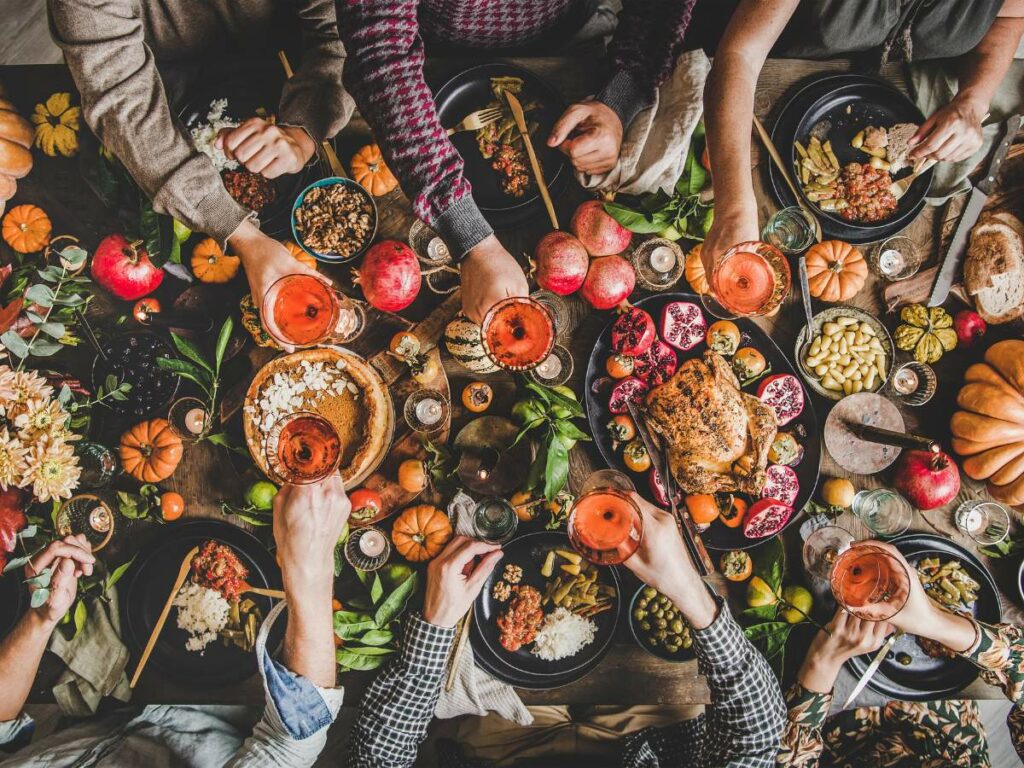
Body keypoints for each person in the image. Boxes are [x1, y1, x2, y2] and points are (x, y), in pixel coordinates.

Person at [346, 497, 786, 767]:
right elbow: (761, 733)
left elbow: (375, 757)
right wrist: (689, 591)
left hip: (503, 746)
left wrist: (437, 626)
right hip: (648, 741)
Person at [334, 0, 699, 324]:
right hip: (428, 48)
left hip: (572, 36)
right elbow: (379, 52)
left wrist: (619, 101)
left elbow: (661, 9)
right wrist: (470, 236)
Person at [47, 0, 354, 345]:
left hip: (285, 55)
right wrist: (242, 235)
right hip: (150, 67)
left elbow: (343, 31)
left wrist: (303, 130)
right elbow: (123, 103)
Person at [0, 475, 351, 766]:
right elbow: (292, 742)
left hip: (89, 727)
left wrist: (42, 617)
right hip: (226, 724)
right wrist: (311, 567)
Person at [700, 0, 1024, 273]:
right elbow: (741, 54)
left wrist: (975, 99)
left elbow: (1011, 14)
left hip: (891, 87)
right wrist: (734, 207)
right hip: (752, 93)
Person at [777, 540, 1024, 767]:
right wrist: (932, 622)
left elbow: (783, 761)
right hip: (943, 718)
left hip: (833, 733)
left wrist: (823, 660)